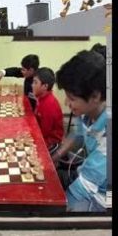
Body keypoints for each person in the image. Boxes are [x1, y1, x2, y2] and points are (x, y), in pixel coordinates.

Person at [50, 50, 108, 212]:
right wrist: (57, 155)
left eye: (72, 98)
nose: (66, 102)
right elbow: (77, 132)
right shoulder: (88, 112)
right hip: (88, 176)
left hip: (101, 197)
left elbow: (84, 187)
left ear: (95, 96)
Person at [31, 67, 63, 152]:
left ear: (45, 86)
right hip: (43, 134)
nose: (32, 85)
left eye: (35, 82)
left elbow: (44, 133)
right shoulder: (41, 98)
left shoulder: (49, 105)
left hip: (51, 141)